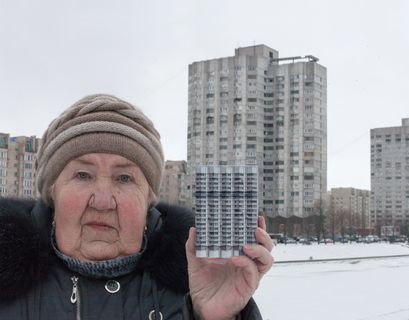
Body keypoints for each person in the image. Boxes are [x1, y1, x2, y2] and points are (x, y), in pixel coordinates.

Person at [0, 94, 274, 319]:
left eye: (124, 178)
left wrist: (214, 317)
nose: (103, 201)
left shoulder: (190, 291)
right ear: (52, 191)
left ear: (148, 199)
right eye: (83, 175)